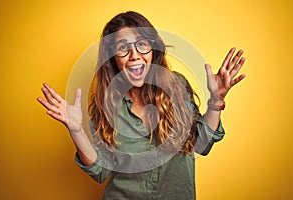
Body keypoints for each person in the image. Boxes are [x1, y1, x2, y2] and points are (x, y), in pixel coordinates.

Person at [37, 11, 245, 200]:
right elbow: (101, 172)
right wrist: (77, 130)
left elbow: (202, 144)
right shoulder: (106, 105)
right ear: (112, 59)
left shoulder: (177, 86)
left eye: (142, 44)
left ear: (152, 50)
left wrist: (216, 101)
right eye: (123, 48)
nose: (135, 55)